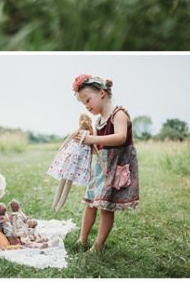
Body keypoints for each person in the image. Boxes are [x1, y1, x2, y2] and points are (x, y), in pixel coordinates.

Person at [71, 74, 139, 252]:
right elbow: (98, 146)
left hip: (116, 168)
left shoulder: (119, 114)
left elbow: (120, 137)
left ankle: (98, 246)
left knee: (105, 207)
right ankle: (82, 239)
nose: (87, 106)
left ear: (101, 93)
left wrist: (91, 138)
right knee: (90, 203)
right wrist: (86, 137)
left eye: (88, 100)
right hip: (101, 170)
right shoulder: (98, 121)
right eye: (83, 103)